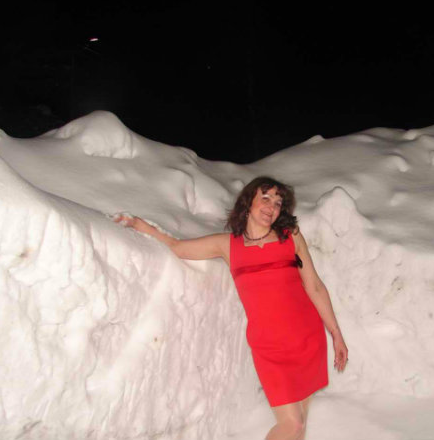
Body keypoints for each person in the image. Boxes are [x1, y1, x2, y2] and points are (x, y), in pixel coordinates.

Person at [114, 176, 348, 440]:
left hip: (306, 338)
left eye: (278, 203)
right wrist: (142, 226)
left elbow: (314, 286)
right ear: (248, 203)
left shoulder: (290, 237)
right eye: (265, 198)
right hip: (269, 347)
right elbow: (178, 248)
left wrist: (336, 334)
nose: (272, 207)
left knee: (299, 425)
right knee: (292, 425)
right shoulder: (228, 245)